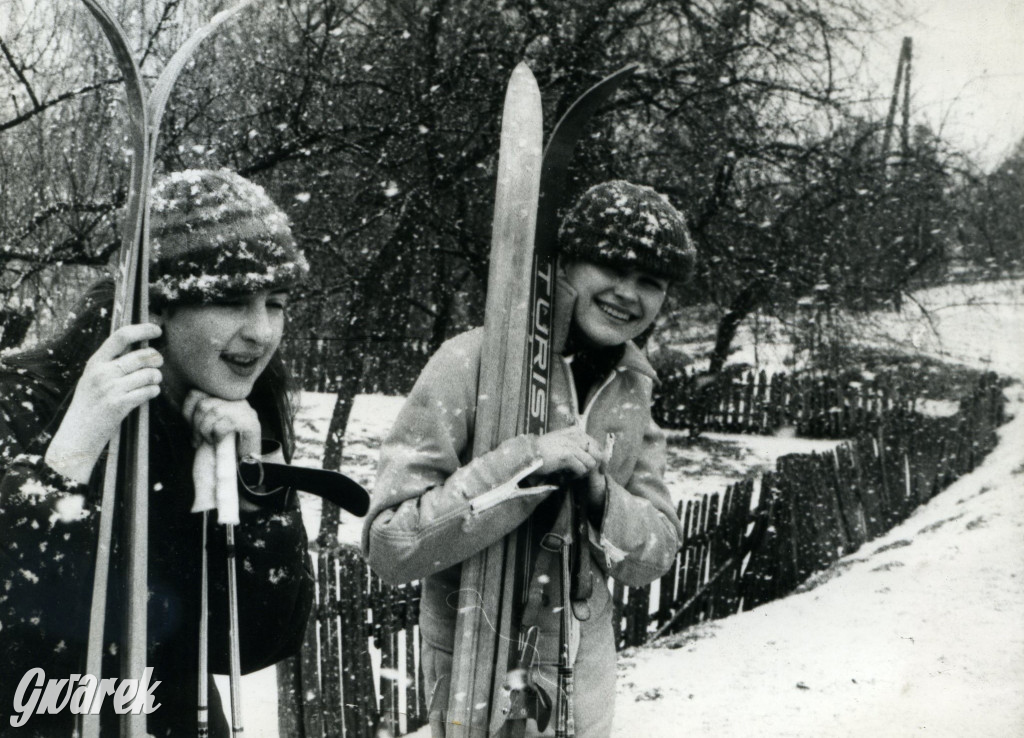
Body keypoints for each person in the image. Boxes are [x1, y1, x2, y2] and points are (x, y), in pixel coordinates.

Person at [363, 180, 695, 737]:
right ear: (565, 263)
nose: (627, 293)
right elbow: (392, 547)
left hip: (583, 674)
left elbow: (654, 555)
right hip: (475, 665)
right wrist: (524, 466)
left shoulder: (634, 388)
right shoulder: (471, 361)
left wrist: (601, 496)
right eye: (612, 267)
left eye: (650, 282)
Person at [0, 168, 314, 737]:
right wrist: (67, 461)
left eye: (276, 303)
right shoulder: (19, 399)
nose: (262, 331)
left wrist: (253, 487)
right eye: (233, 301)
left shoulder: (238, 408)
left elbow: (254, 644)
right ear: (157, 306)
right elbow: (17, 631)